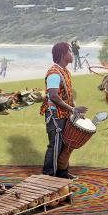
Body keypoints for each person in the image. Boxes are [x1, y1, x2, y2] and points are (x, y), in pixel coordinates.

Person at [40, 42, 85, 178]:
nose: (71, 55)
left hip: (63, 114)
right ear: (63, 55)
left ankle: (62, 172)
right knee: (55, 146)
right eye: (69, 52)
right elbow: (53, 96)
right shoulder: (54, 73)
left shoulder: (64, 71)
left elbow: (66, 95)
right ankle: (48, 176)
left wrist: (74, 109)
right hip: (55, 115)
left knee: (65, 145)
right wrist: (73, 109)